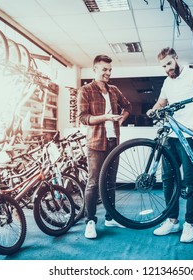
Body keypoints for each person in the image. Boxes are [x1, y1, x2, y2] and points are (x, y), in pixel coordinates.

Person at [147, 47, 193, 243]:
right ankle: (172, 221)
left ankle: (189, 224)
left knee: (190, 181)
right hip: (171, 136)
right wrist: (153, 110)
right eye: (163, 66)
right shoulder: (167, 82)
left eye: (169, 63)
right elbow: (161, 103)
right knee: (168, 179)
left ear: (176, 58)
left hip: (191, 137)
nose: (167, 69)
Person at [77, 54, 132, 239]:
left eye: (110, 70)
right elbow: (84, 118)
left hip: (113, 142)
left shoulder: (114, 90)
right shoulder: (85, 90)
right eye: (104, 70)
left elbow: (128, 106)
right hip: (95, 144)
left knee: (110, 182)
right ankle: (90, 221)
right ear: (94, 70)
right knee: (93, 183)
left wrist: (122, 118)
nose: (108, 73)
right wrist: (106, 117)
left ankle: (111, 217)